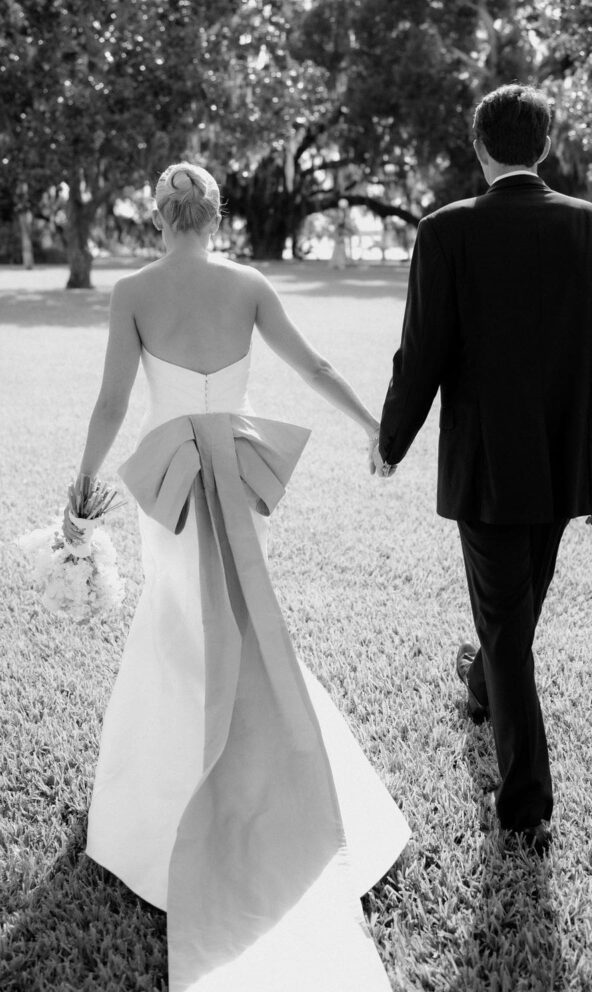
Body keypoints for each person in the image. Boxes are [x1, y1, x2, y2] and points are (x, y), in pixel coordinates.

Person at [64, 162, 410, 991]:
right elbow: (315, 366)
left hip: (170, 483)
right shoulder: (248, 282)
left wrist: (80, 486)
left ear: (158, 217)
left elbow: (114, 402)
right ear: (218, 214)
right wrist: (376, 429)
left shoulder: (133, 291)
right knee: (247, 624)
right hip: (232, 470)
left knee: (178, 626)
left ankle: (162, 818)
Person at [371, 85, 592, 856]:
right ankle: (483, 684)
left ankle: (524, 806)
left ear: (480, 148)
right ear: (543, 146)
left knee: (508, 628)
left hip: (488, 465)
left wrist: (390, 442)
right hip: (563, 464)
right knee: (513, 619)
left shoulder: (445, 231)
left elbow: (420, 351)